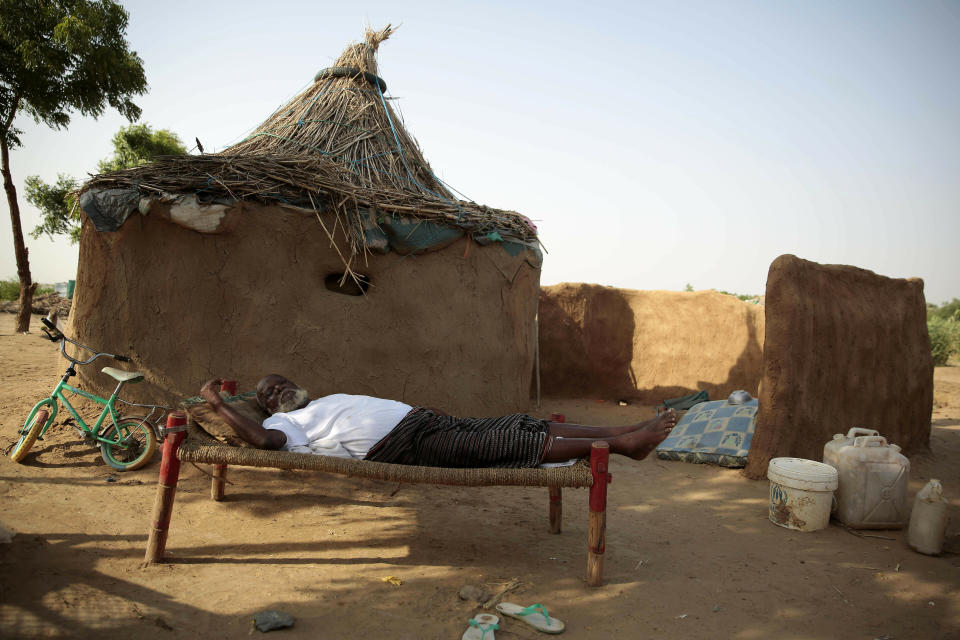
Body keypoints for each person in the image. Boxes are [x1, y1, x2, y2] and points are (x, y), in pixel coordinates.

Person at [199, 375, 678, 468]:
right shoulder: (295, 424)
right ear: (266, 408)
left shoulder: (328, 398)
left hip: (424, 421)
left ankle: (619, 432)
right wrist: (219, 405)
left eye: (280, 383)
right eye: (267, 395)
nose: (276, 391)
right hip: (401, 448)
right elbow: (263, 443)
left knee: (520, 422)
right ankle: (622, 446)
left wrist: (429, 415)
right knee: (504, 445)